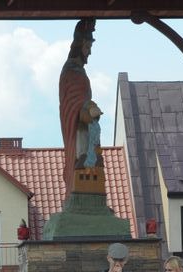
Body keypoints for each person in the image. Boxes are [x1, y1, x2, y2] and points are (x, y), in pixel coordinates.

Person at [59, 17, 103, 200]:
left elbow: (81, 101)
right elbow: (72, 106)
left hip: (86, 128)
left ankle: (91, 196)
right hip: (78, 131)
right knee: (82, 160)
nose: (89, 52)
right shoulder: (72, 71)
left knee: (92, 163)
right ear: (79, 46)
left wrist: (90, 108)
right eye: (88, 47)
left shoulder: (78, 70)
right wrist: (86, 110)